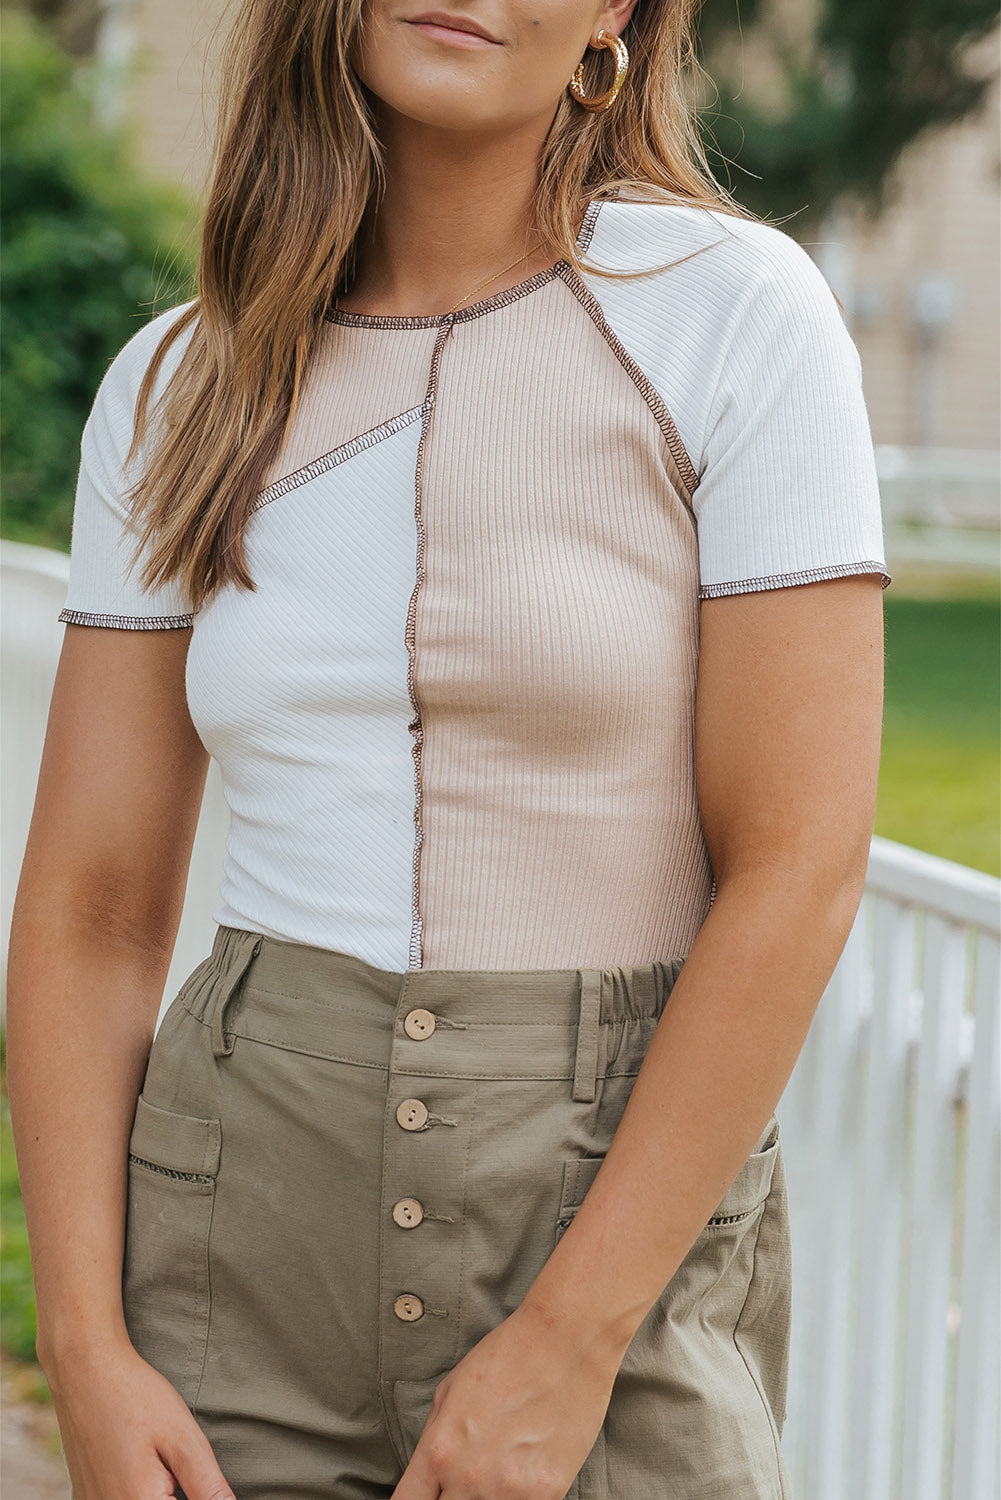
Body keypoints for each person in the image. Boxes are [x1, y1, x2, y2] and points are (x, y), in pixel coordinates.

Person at [6, 1, 891, 1496]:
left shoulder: (730, 313)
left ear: (616, 14)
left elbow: (795, 870)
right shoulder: (177, 388)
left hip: (613, 1253)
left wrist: (568, 1340)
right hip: (237, 1250)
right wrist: (87, 1347)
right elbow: (94, 909)